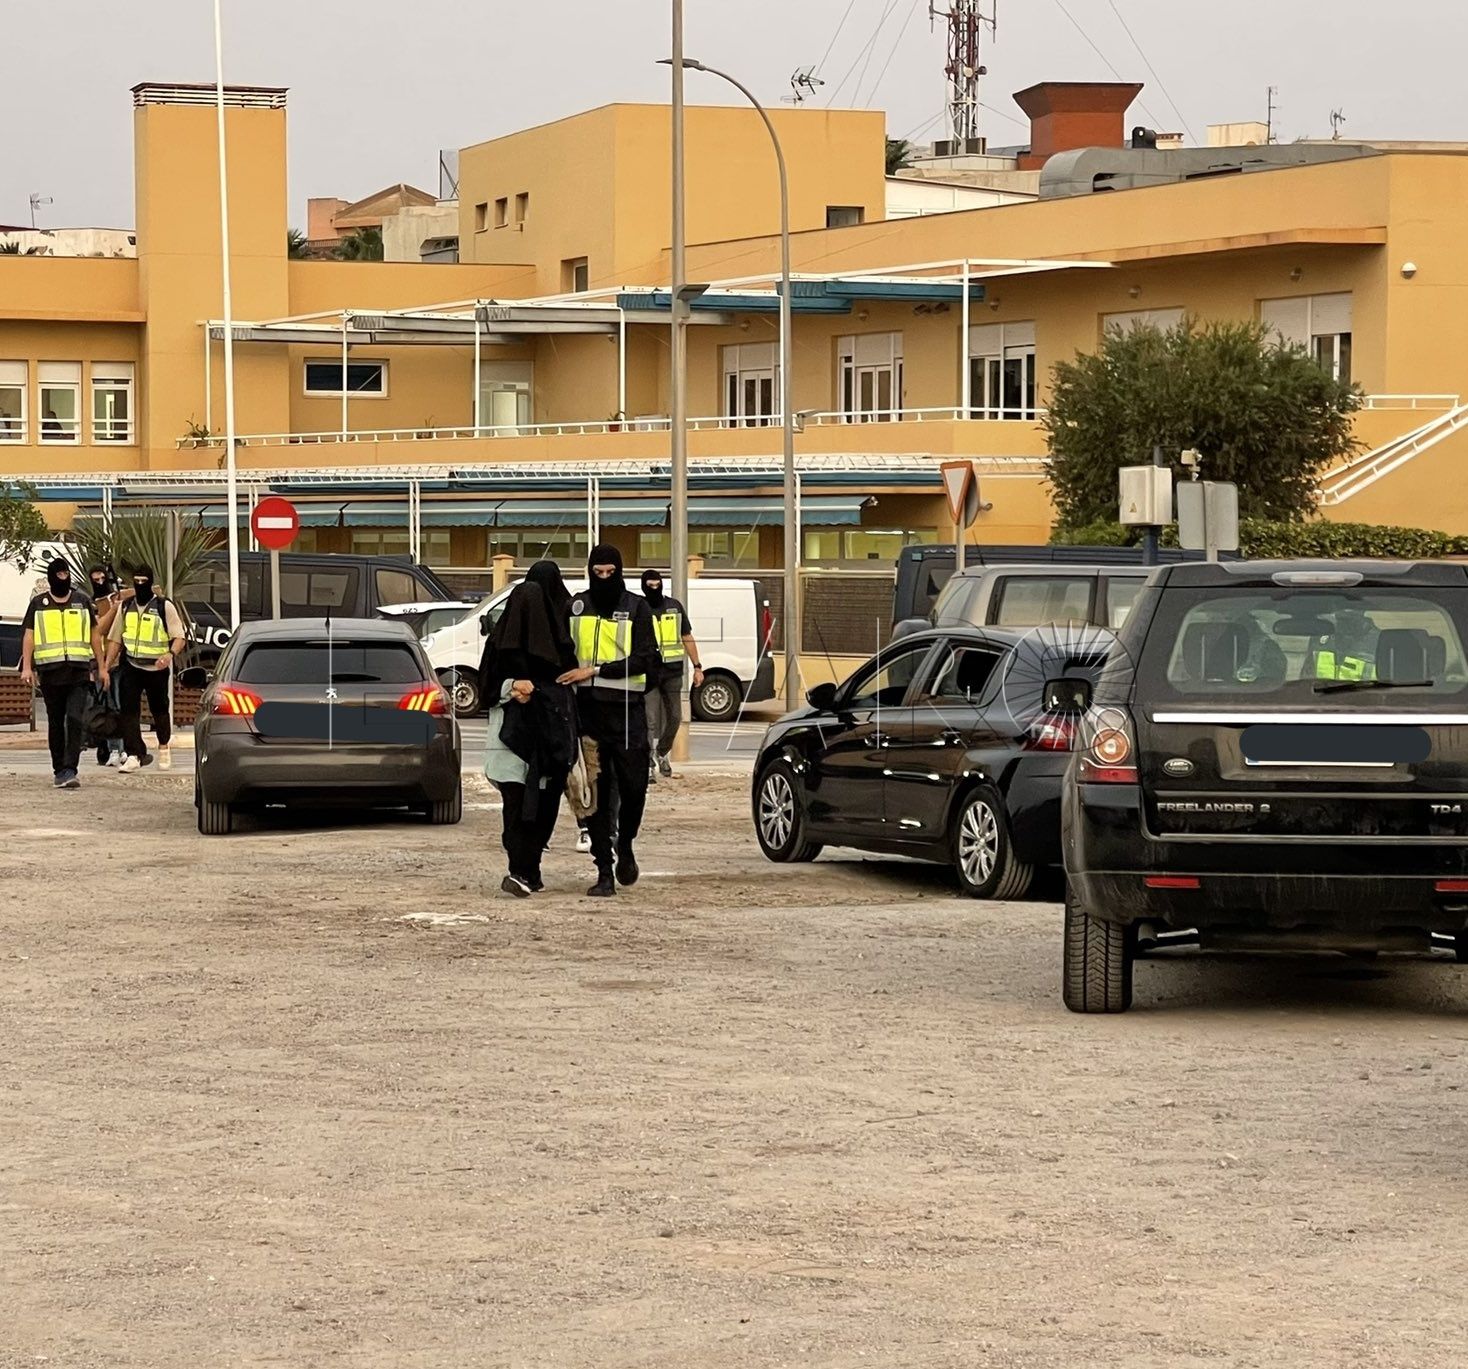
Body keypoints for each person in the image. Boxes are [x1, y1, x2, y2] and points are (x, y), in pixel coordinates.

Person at [557, 545, 656, 898]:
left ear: (619, 571)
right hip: (588, 714)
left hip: (628, 713)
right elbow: (560, 652)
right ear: (588, 571)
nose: (603, 579)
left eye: (609, 573)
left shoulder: (637, 607)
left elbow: (646, 659)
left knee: (633, 790)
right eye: (597, 573)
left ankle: (625, 844)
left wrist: (598, 670)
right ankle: (603, 869)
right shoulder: (576, 606)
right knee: (593, 793)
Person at [479, 561, 579, 897]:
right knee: (517, 804)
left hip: (547, 739)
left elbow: (568, 684)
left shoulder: (564, 640)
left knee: (543, 804)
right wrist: (511, 687)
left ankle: (528, 870)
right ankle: (520, 870)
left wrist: (540, 691)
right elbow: (486, 687)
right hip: (510, 741)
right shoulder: (500, 641)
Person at [19, 557, 108, 788]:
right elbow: (29, 635)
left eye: (66, 574)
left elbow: (94, 635)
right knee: (56, 722)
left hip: (78, 671)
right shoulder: (39, 604)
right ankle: (59, 769)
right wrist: (27, 667)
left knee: (76, 719)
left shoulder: (82, 601)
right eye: (59, 575)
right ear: (51, 577)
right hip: (50, 672)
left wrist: (102, 666)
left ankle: (71, 769)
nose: (64, 578)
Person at [106, 565, 186, 773]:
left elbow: (179, 636)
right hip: (131, 665)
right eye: (137, 581)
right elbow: (115, 639)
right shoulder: (126, 606)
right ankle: (134, 754)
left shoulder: (163, 606)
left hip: (156, 669)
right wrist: (105, 667)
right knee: (129, 711)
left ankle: (164, 746)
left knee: (159, 710)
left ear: (150, 582)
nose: (140, 585)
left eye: (144, 581)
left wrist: (170, 655)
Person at [638, 568, 706, 782]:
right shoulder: (640, 608)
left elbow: (686, 636)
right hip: (648, 673)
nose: (654, 589)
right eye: (650, 586)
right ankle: (648, 762)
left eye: (657, 585)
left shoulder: (674, 607)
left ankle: (661, 752)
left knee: (675, 717)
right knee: (648, 720)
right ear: (643, 586)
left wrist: (698, 666)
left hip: (672, 672)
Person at [89, 566, 126, 766]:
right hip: (100, 661)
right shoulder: (93, 604)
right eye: (96, 579)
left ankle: (119, 749)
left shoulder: (118, 600)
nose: (101, 582)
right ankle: (111, 749)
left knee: (118, 706)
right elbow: (99, 629)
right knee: (106, 707)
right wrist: (113, 609)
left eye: (103, 578)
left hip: (119, 661)